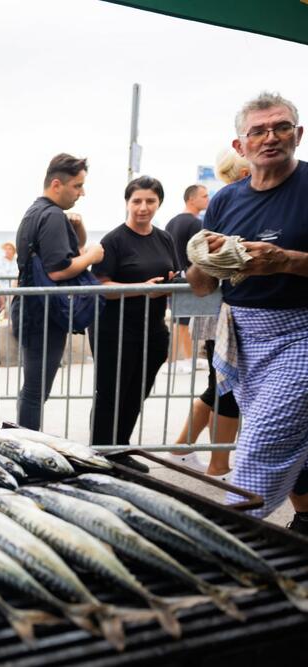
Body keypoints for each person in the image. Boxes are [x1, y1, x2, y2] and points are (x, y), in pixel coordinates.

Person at [186, 92, 308, 530]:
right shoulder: (225, 201)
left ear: (298, 134)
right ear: (241, 146)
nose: (269, 137)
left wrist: (287, 261)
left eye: (280, 127)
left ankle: (234, 534)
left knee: (260, 442)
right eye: (257, 130)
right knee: (293, 438)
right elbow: (201, 286)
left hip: (301, 334)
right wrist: (203, 258)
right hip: (242, 336)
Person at [169, 151, 251, 479]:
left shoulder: (220, 208)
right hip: (222, 310)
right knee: (225, 387)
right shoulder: (232, 206)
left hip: (211, 308)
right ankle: (219, 464)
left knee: (217, 385)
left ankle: (181, 448)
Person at [13, 154, 104, 431]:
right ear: (56, 184)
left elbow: (61, 254)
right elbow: (58, 270)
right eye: (77, 186)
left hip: (32, 311)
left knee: (33, 389)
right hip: (43, 315)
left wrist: (78, 231)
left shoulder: (36, 211)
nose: (82, 192)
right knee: (35, 390)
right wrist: (92, 256)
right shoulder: (51, 216)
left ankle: (26, 441)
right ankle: (27, 447)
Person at [90, 176, 178, 446]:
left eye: (150, 201)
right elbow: (102, 286)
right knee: (110, 395)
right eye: (137, 201)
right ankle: (101, 455)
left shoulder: (164, 239)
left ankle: (121, 449)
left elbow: (171, 275)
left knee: (137, 394)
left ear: (159, 203)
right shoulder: (114, 240)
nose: (143, 207)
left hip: (152, 331)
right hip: (114, 331)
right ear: (127, 203)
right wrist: (141, 288)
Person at [165, 185, 210, 371]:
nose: (208, 199)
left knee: (179, 320)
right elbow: (199, 254)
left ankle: (182, 359)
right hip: (188, 277)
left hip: (173, 276)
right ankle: (178, 361)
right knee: (183, 322)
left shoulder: (171, 222)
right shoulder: (195, 224)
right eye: (204, 196)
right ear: (191, 199)